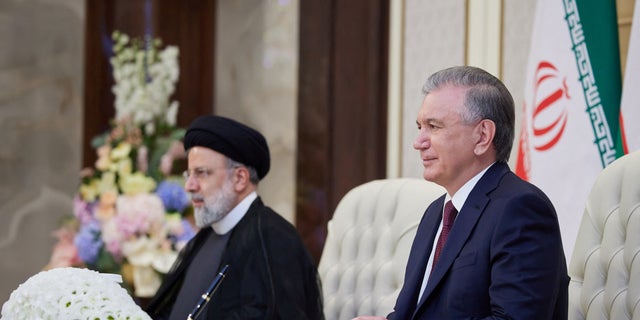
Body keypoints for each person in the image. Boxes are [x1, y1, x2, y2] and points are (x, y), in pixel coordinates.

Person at [354, 66, 569, 320]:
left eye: (433, 127)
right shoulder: (436, 212)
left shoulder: (522, 209)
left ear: (482, 136)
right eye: (420, 127)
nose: (418, 142)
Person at [146, 115, 324, 319]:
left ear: (239, 178)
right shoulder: (206, 237)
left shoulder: (274, 239)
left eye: (201, 173)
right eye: (189, 175)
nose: (189, 186)